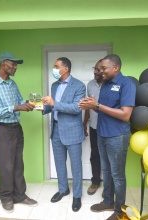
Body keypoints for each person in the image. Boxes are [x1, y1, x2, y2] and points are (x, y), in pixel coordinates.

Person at [78, 54, 136, 220]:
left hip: (117, 136)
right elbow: (102, 109)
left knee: (117, 175)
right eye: (99, 68)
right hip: (102, 134)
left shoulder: (127, 84)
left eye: (104, 68)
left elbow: (125, 115)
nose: (100, 71)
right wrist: (91, 105)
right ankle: (108, 201)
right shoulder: (104, 85)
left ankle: (120, 211)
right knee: (107, 171)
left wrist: (97, 105)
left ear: (115, 68)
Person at [0, 51, 38, 213]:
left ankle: (20, 195)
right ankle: (6, 197)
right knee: (5, 166)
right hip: (2, 130)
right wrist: (16, 107)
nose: (15, 67)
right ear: (3, 63)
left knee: (17, 164)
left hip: (16, 128)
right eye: (13, 64)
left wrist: (32, 102)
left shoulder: (12, 84)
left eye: (16, 65)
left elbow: (19, 101)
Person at [42, 57, 86, 212]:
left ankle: (77, 195)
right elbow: (53, 107)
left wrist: (54, 104)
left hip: (72, 131)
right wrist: (43, 107)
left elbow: (76, 108)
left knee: (76, 165)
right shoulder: (54, 85)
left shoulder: (79, 86)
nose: (53, 69)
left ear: (65, 69)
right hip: (56, 131)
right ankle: (63, 189)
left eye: (56, 66)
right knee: (59, 163)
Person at [83, 59, 103, 195]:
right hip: (94, 126)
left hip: (108, 128)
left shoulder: (110, 84)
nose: (95, 72)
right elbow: (88, 106)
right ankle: (96, 181)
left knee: (108, 157)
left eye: (98, 70)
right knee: (95, 155)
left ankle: (108, 186)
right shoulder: (90, 84)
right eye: (94, 69)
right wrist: (85, 123)